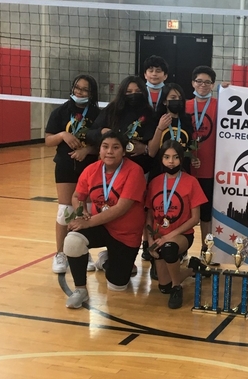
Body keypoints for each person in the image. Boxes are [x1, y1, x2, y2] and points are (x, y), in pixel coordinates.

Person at [63, 130, 147, 308]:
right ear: (99, 150)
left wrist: (88, 221)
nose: (109, 151)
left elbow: (121, 208)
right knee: (72, 241)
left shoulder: (134, 171)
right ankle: (80, 289)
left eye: (116, 147)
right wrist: (80, 210)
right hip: (101, 226)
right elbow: (78, 195)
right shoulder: (91, 170)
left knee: (118, 286)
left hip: (125, 233)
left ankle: (107, 259)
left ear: (124, 151)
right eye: (105, 147)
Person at [45, 74, 100, 274]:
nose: (80, 92)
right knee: (65, 211)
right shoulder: (61, 112)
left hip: (89, 167)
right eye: (77, 88)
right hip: (65, 166)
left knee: (85, 210)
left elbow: (104, 145)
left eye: (85, 90)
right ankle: (60, 253)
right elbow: (48, 140)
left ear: (92, 93)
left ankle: (81, 251)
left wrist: (86, 151)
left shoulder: (97, 114)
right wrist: (62, 135)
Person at [145, 140, 207, 309]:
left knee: (169, 249)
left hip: (181, 235)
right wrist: (150, 241)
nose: (171, 161)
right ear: (161, 159)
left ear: (181, 159)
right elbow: (149, 216)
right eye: (166, 157)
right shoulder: (155, 182)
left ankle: (177, 288)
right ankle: (192, 269)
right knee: (163, 287)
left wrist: (168, 237)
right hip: (159, 237)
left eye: (175, 157)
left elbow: (195, 219)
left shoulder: (191, 182)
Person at [88, 76, 158, 175]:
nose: (133, 95)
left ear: (143, 92)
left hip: (141, 169)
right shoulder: (112, 110)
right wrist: (101, 131)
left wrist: (145, 149)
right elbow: (90, 134)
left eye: (137, 91)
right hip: (113, 169)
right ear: (122, 93)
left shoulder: (150, 113)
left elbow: (154, 145)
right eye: (129, 92)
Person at [185, 66, 219, 243]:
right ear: (193, 83)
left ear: (213, 85)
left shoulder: (220, 105)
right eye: (199, 81)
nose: (203, 85)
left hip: (210, 169)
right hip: (186, 168)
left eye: (207, 82)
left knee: (206, 213)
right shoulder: (184, 105)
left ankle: (208, 250)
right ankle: (181, 250)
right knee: (183, 211)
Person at [148, 83, 195, 172]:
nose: (177, 100)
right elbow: (151, 152)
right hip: (160, 171)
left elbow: (189, 147)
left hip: (182, 171)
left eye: (180, 98)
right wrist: (160, 128)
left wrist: (193, 158)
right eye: (173, 98)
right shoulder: (156, 119)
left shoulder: (187, 120)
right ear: (164, 101)